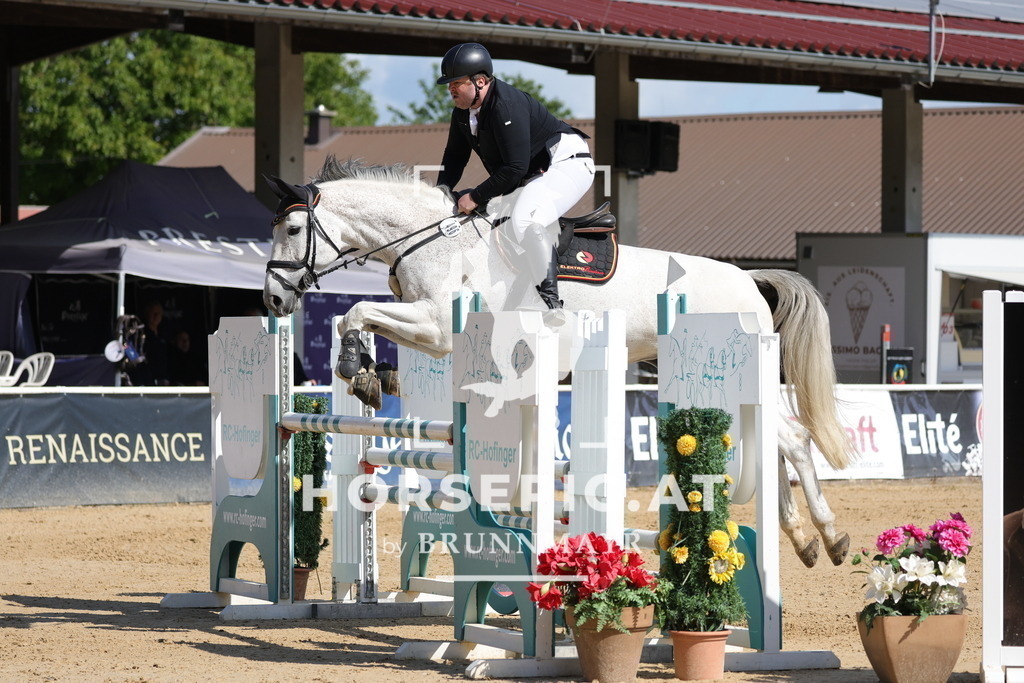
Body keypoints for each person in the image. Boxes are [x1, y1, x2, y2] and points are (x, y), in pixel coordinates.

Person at [434, 42, 595, 311]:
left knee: (525, 220)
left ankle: (550, 302)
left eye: (457, 83)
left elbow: (514, 168)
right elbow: (454, 158)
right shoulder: (462, 114)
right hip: (531, 174)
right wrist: (441, 192)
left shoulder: (506, 106)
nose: (451, 89)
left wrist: (474, 196)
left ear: (481, 81)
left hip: (567, 164)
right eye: (449, 84)